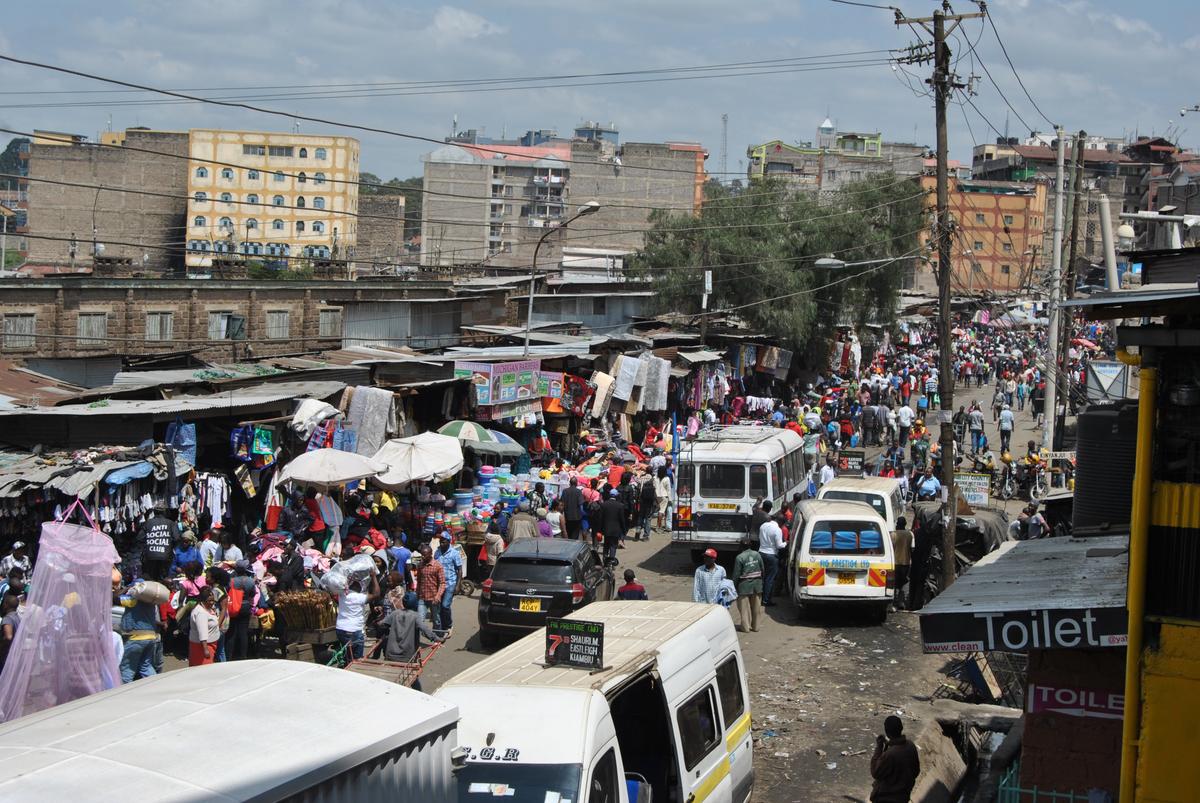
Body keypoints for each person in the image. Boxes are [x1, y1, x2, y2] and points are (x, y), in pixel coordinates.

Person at [378, 591, 443, 691]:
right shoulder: (415, 616)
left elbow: (383, 624)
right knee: (412, 678)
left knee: (394, 676)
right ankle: (419, 695)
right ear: (415, 604)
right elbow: (425, 630)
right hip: (407, 656)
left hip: (391, 655)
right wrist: (437, 639)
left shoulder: (395, 613)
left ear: (403, 603)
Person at [870, 715, 921, 803]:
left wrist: (879, 747)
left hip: (887, 798)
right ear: (901, 728)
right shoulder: (910, 745)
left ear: (887, 731)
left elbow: (875, 772)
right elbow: (916, 771)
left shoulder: (890, 754)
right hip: (903, 796)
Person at [118, 582, 162, 682]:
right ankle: (156, 685)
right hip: (151, 638)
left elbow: (115, 598)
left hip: (136, 639)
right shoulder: (151, 603)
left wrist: (125, 589)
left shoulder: (133, 600)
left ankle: (124, 693)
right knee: (145, 666)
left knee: (127, 669)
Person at [335, 569, 380, 662]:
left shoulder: (342, 594)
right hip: (354, 630)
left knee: (346, 654)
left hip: (341, 629)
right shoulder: (359, 597)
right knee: (356, 659)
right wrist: (374, 577)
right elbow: (376, 594)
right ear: (357, 587)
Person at [226, 560, 257, 661]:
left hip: (234, 607)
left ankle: (229, 655)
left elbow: (228, 592)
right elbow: (253, 594)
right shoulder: (250, 581)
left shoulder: (231, 581)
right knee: (243, 633)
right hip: (245, 607)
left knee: (232, 632)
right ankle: (243, 655)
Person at [731, 539, 764, 632]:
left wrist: (733, 586)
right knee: (756, 608)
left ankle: (745, 628)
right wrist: (762, 582)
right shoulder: (757, 555)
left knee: (744, 609)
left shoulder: (739, 557)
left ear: (741, 546)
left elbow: (736, 574)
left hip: (744, 586)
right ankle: (756, 627)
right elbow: (762, 569)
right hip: (757, 585)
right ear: (751, 545)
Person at [434, 534, 463, 635]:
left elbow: (459, 570)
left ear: (449, 541)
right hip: (439, 584)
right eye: (440, 541)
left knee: (445, 605)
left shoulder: (454, 553)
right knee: (439, 606)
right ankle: (442, 627)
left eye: (444, 541)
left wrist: (458, 585)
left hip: (450, 582)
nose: (441, 543)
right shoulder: (437, 552)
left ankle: (449, 625)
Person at [137, 510, 177, 581]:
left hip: (150, 557)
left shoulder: (148, 523)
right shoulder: (171, 523)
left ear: (154, 513)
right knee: (163, 579)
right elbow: (177, 538)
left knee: (150, 579)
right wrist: (168, 545)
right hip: (165, 556)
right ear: (165, 512)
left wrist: (150, 544)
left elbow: (139, 538)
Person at [415, 544, 447, 631]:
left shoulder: (437, 566)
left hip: (434, 598)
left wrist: (438, 596)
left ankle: (438, 636)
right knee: (420, 620)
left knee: (436, 620)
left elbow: (442, 583)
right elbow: (419, 580)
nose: (422, 556)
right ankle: (417, 640)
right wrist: (417, 593)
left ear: (430, 554)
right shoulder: (420, 565)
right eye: (421, 554)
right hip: (422, 598)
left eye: (424, 555)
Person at [758, 513, 785, 608]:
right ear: (780, 522)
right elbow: (779, 545)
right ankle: (766, 600)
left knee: (763, 577)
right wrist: (787, 543)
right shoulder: (777, 530)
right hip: (771, 555)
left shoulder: (763, 525)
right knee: (770, 579)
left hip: (761, 553)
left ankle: (760, 598)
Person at [188, 586, 220, 667]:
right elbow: (203, 632)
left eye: (213, 600)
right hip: (202, 647)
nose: (212, 602)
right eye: (209, 601)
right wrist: (205, 650)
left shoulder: (207, 608)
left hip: (209, 645)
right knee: (204, 670)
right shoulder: (201, 613)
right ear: (203, 600)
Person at [599, 488, 628, 563]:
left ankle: (605, 560)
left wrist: (600, 530)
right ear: (616, 495)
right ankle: (611, 561)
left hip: (606, 529)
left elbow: (601, 518)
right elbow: (622, 520)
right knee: (613, 546)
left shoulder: (604, 504)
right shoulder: (620, 506)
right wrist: (624, 530)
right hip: (616, 530)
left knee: (606, 545)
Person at [890, 517, 913, 611]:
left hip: (895, 562)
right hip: (906, 562)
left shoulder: (893, 534)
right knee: (903, 582)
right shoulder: (909, 534)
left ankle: (894, 602)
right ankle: (901, 601)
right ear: (905, 524)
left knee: (894, 583)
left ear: (897, 524)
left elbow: (891, 548)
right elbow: (912, 548)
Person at [0, 593, 19, 671]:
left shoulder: (7, 618)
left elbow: (8, 637)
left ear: (6, 605)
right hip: (13, 652)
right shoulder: (17, 616)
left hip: (6, 653)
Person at [637, 473, 657, 541]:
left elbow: (640, 496)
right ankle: (646, 536)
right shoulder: (653, 489)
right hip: (649, 506)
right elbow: (654, 498)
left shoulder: (644, 488)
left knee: (640, 518)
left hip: (643, 505)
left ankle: (637, 532)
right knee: (648, 520)